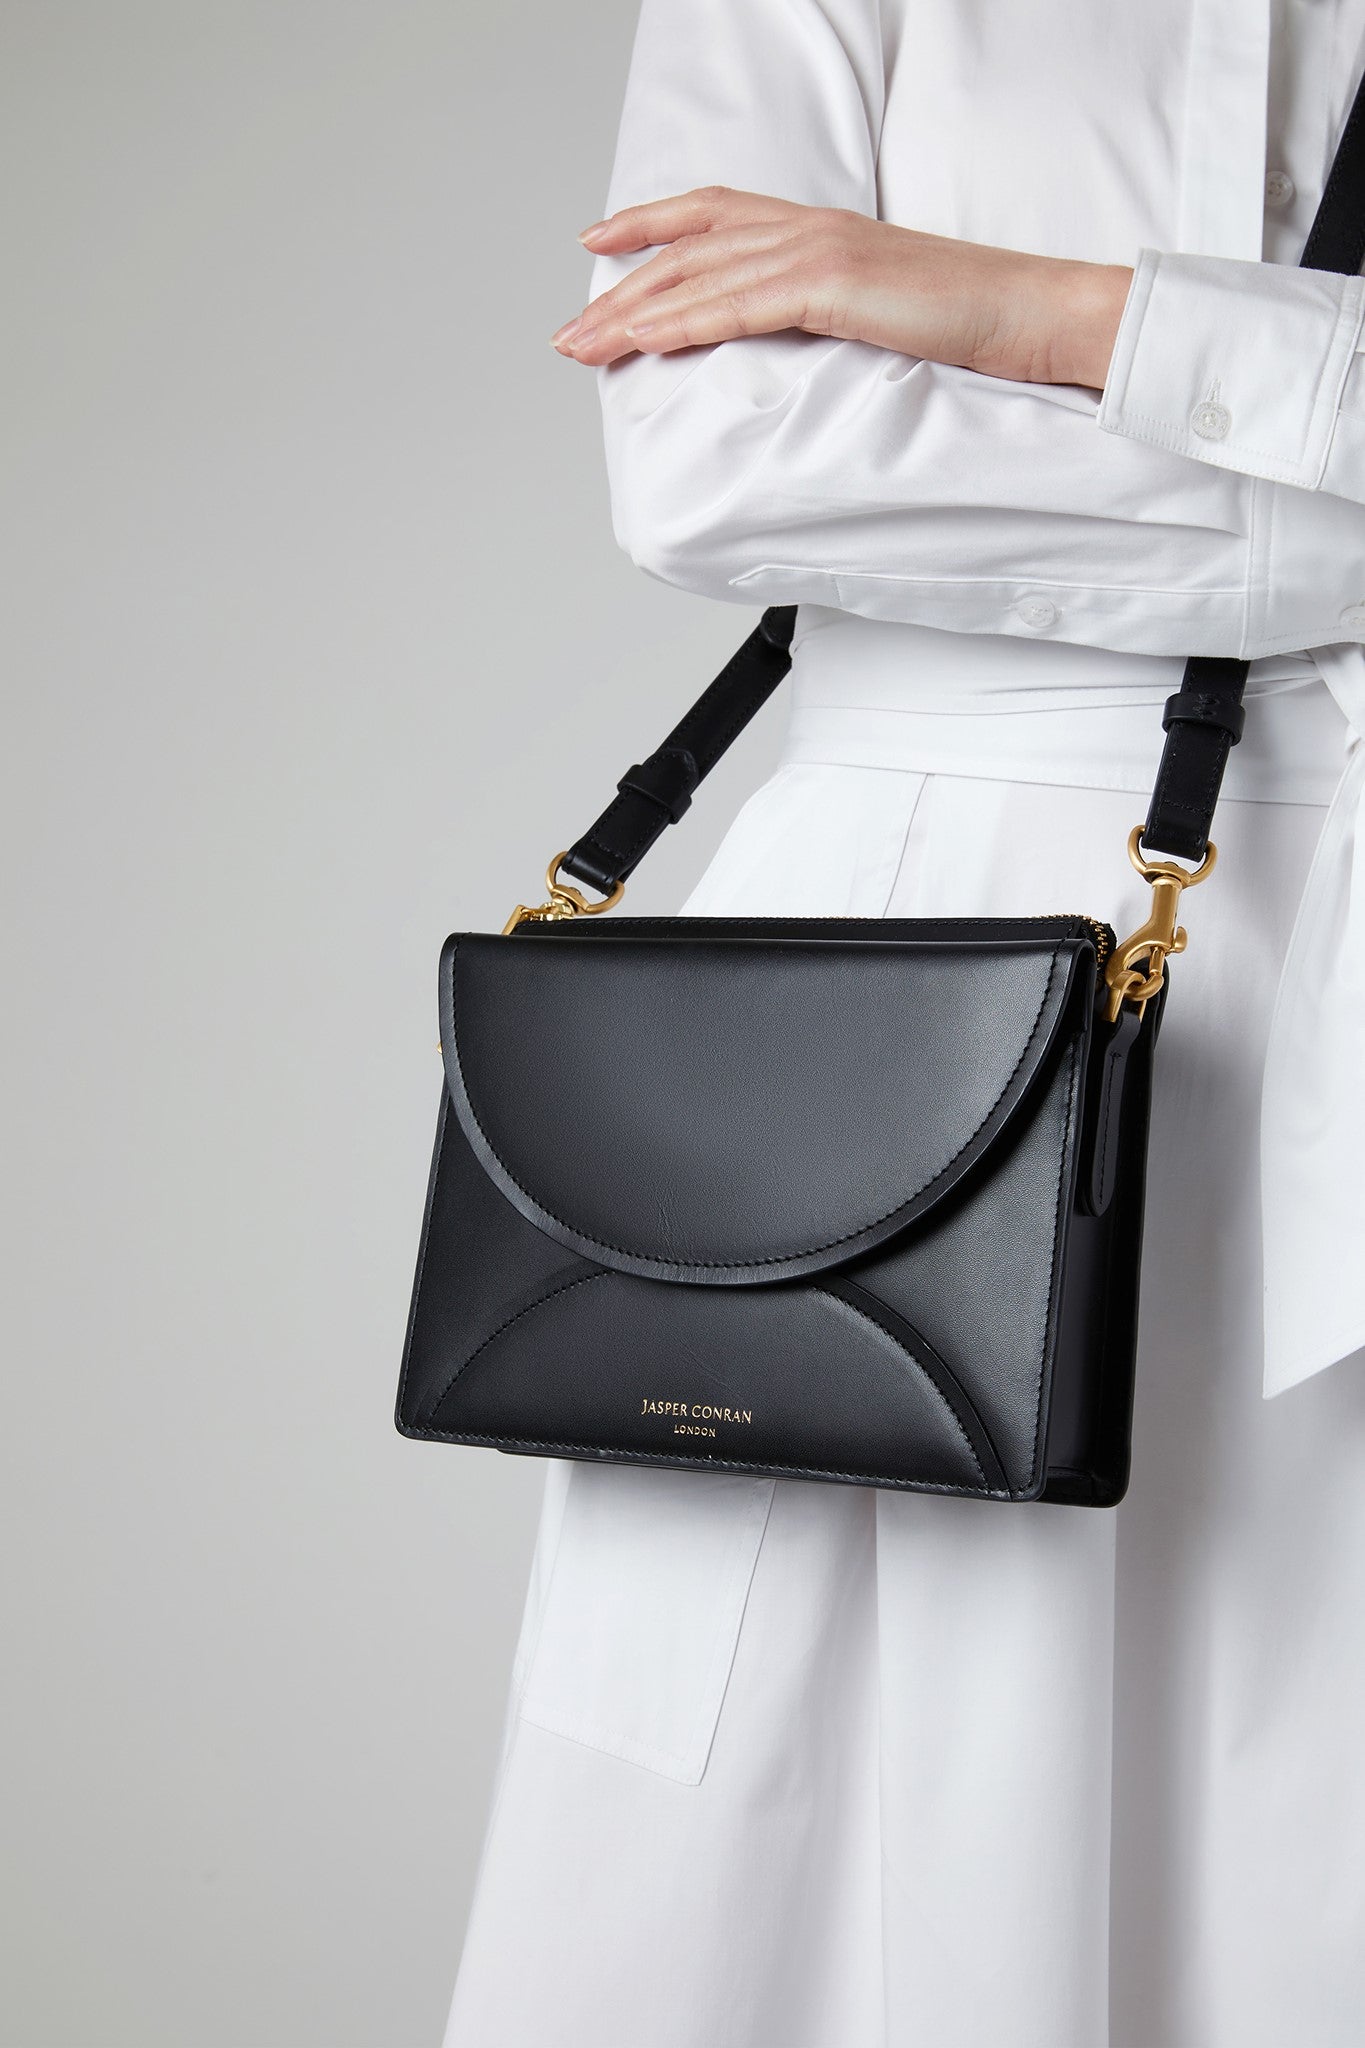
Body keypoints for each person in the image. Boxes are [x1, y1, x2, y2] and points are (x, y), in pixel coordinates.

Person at [442, 4, 1365, 2042]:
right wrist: (1315, 462)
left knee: (1290, 1771)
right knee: (776, 1815)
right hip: (888, 990)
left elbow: (854, 444)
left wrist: (1022, 312)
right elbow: (717, 468)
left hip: (1332, 997)